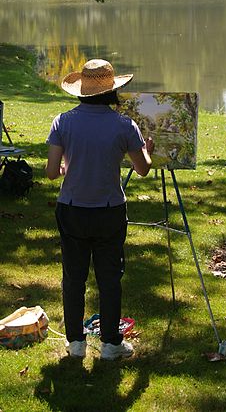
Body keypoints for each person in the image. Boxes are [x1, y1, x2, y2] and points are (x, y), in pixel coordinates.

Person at [46, 59, 154, 360]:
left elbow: (52, 172)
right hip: (109, 211)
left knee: (73, 277)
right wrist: (148, 150)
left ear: (81, 89)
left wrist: (70, 165)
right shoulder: (124, 125)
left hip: (71, 210)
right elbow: (143, 169)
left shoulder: (63, 121)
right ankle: (110, 344)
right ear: (111, 91)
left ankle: (76, 344)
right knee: (109, 278)